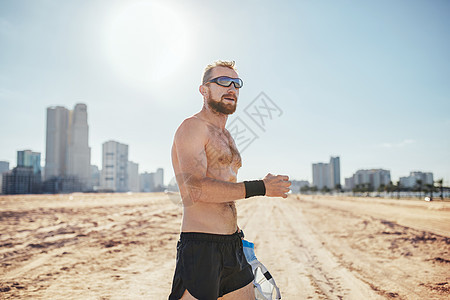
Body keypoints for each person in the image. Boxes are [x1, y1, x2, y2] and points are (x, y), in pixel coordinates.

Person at [168, 60, 291, 300]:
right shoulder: (192, 127)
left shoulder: (227, 136)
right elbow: (195, 189)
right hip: (201, 247)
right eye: (223, 82)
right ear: (204, 90)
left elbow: (224, 185)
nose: (232, 88)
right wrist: (261, 188)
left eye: (236, 83)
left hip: (232, 244)